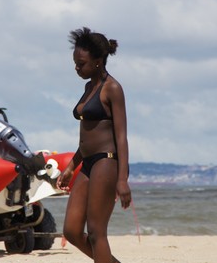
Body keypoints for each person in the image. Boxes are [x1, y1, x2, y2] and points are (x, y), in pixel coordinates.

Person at [57, 27, 132, 263]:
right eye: (75, 63)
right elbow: (88, 136)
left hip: (106, 162)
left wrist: (122, 180)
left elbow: (121, 136)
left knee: (97, 232)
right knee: (71, 230)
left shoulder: (112, 88)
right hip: (87, 163)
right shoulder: (89, 88)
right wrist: (71, 167)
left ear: (98, 61)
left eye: (81, 64)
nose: (77, 68)